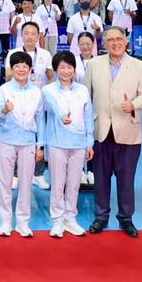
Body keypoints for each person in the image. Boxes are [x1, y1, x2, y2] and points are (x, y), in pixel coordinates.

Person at [84, 26, 142, 236]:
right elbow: (87, 97)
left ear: (126, 41)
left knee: (126, 179)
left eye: (119, 39)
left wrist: (134, 104)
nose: (115, 43)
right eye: (110, 40)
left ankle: (126, 218)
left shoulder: (140, 66)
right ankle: (101, 217)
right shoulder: (93, 64)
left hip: (128, 129)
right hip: (101, 130)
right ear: (104, 43)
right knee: (101, 178)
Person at [40, 51, 93, 239]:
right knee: (57, 183)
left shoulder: (82, 90)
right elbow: (51, 106)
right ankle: (57, 220)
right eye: (62, 67)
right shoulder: (48, 90)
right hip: (57, 143)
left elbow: (88, 116)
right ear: (55, 69)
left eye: (69, 67)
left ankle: (70, 218)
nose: (66, 71)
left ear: (74, 69)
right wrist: (62, 115)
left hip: (79, 143)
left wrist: (89, 142)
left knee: (74, 183)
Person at [0, 51, 44, 238]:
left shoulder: (36, 92)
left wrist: (40, 145)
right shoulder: (4, 90)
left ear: (30, 69)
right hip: (7, 140)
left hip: (28, 141)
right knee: (5, 181)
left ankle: (23, 222)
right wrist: (4, 110)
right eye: (17, 66)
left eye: (25, 66)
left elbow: (40, 119)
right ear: (12, 69)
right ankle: (6, 221)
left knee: (25, 182)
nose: (21, 69)